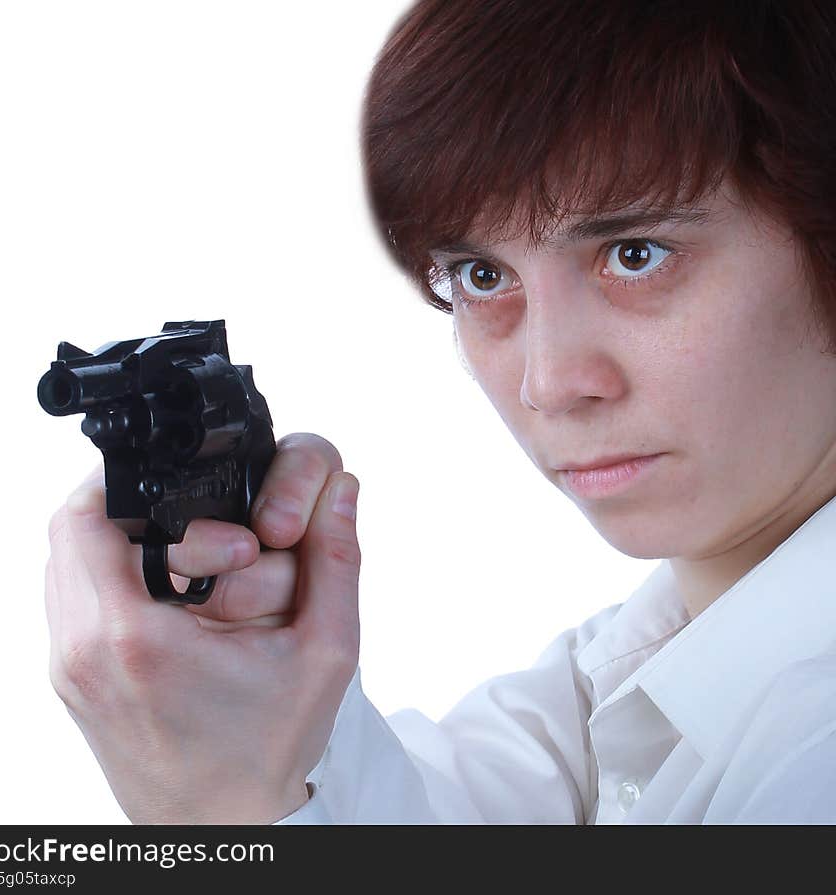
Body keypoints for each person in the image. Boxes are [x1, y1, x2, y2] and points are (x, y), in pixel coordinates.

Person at [45, 0, 836, 824]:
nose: (549, 381)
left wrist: (220, 815)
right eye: (483, 277)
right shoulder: (618, 679)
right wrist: (268, 701)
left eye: (637, 255)